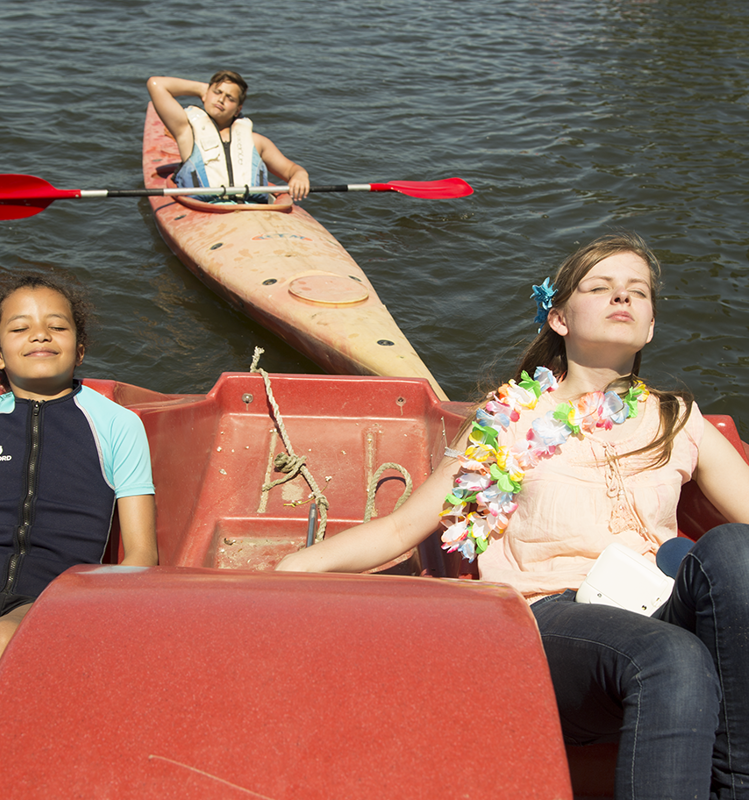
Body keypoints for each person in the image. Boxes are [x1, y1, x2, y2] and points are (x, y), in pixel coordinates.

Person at [276, 232, 749, 800]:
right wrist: (284, 574)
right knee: (671, 656)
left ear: (649, 326)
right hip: (554, 624)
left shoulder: (676, 417)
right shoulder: (506, 419)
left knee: (734, 550)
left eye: (637, 293)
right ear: (559, 319)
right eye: (601, 288)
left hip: (662, 602)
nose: (622, 299)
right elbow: (404, 528)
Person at [0, 274, 157, 782]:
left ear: (79, 348)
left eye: (56, 326)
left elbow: (142, 554)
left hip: (54, 599)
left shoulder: (115, 424)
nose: (39, 335)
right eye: (20, 328)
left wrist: (103, 624)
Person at [147, 70, 310, 203]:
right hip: (207, 210)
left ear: (238, 109)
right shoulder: (186, 132)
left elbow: (291, 169)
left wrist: (300, 175)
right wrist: (202, 89)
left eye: (230, 98)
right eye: (217, 92)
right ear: (205, 94)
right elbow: (156, 84)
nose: (221, 99)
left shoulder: (257, 142)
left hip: (254, 212)